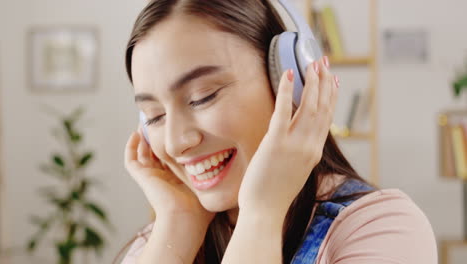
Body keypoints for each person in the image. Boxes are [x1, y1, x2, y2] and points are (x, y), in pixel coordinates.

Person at [118, 0, 438, 263]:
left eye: (203, 96)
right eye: (154, 116)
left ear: (292, 80)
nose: (175, 142)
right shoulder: (155, 245)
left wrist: (262, 213)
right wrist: (177, 225)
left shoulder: (381, 229)